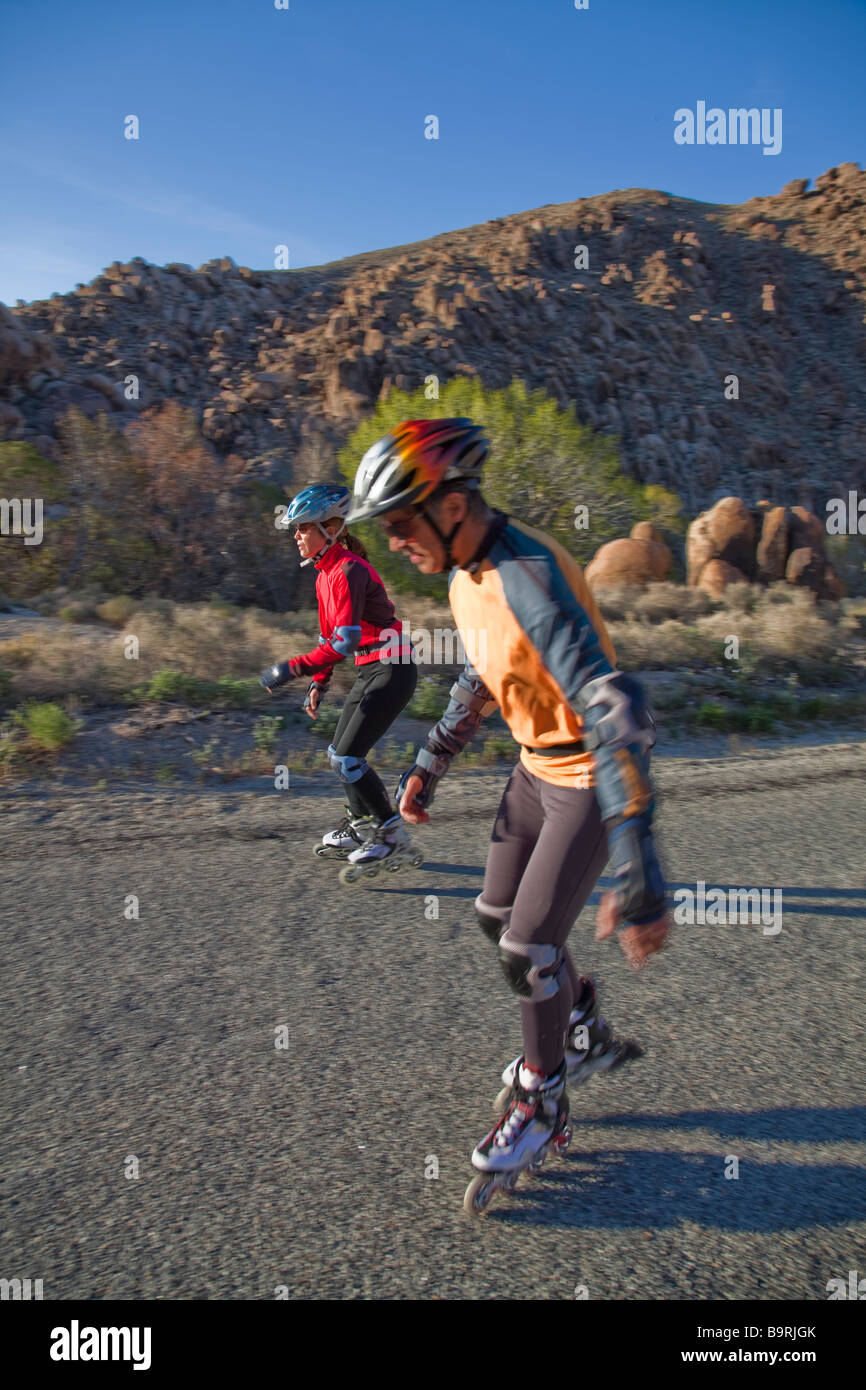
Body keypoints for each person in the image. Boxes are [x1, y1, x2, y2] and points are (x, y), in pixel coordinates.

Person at [345, 419, 671, 1192]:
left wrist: (639, 870)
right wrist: (431, 761)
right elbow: (486, 672)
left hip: (587, 779)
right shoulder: (466, 574)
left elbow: (616, 711)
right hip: (533, 773)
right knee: (499, 919)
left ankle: (544, 1095)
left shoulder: (529, 575)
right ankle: (580, 1023)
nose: (393, 541)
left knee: (527, 949)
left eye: (399, 523)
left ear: (451, 507)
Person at [260, 483, 418, 871]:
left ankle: (393, 836)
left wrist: (292, 669)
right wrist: (319, 682)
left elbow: (344, 642)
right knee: (340, 756)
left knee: (347, 758)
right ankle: (360, 823)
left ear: (329, 529)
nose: (296, 536)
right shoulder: (324, 574)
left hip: (392, 669)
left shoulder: (348, 570)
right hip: (373, 668)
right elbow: (330, 637)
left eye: (303, 528)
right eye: (296, 529)